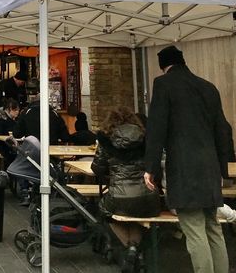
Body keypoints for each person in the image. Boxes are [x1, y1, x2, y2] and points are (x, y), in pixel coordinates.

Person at [144, 45, 232, 273]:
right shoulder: (208, 87)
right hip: (210, 167)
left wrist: (150, 167)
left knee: (193, 228)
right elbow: (223, 130)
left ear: (164, 65)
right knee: (213, 226)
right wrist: (223, 169)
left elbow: (156, 128)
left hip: (184, 168)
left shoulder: (163, 84)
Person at [92, 106, 161, 258]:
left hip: (118, 198)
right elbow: (158, 166)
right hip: (148, 198)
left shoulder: (105, 140)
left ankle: (129, 248)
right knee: (138, 216)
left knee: (105, 211)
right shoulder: (147, 138)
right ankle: (134, 248)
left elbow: (97, 169)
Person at [13, 78, 70, 144]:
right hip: (50, 150)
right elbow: (65, 137)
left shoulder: (26, 113)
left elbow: (17, 134)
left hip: (32, 149)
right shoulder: (54, 114)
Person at [0, 98, 20, 169]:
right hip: (3, 146)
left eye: (18, 110)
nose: (17, 112)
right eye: (15, 110)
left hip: (10, 144)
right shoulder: (1, 120)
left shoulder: (13, 119)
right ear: (8, 109)